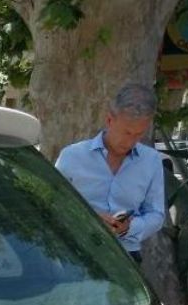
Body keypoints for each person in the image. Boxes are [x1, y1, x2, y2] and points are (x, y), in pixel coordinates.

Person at [55, 84, 165, 265]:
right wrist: (88, 219)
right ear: (109, 120)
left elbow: (156, 214)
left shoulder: (151, 161)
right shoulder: (72, 156)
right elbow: (54, 204)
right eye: (126, 132)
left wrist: (129, 227)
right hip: (75, 251)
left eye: (139, 134)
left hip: (125, 258)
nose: (130, 141)